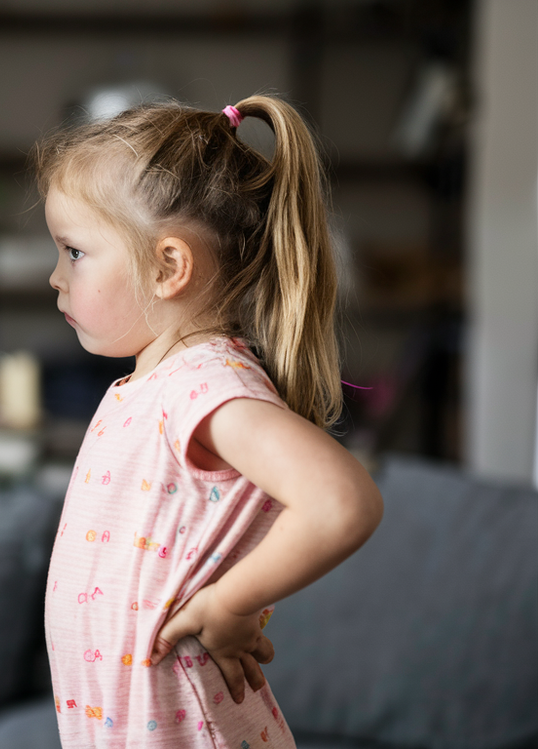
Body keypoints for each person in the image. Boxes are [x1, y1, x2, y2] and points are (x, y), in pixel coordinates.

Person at [36, 96, 384, 747]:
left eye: (75, 251)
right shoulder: (154, 386)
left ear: (169, 266)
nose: (56, 277)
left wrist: (231, 603)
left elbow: (343, 500)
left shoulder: (205, 384)